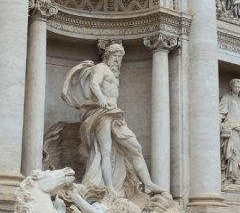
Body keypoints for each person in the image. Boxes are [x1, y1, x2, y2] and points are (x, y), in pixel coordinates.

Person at [61, 42, 164, 196]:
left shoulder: (113, 73)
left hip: (115, 114)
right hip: (103, 113)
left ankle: (148, 184)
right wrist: (101, 98)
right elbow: (94, 83)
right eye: (115, 56)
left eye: (120, 57)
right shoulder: (101, 68)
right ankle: (109, 189)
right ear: (107, 55)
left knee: (136, 148)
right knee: (105, 152)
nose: (118, 60)